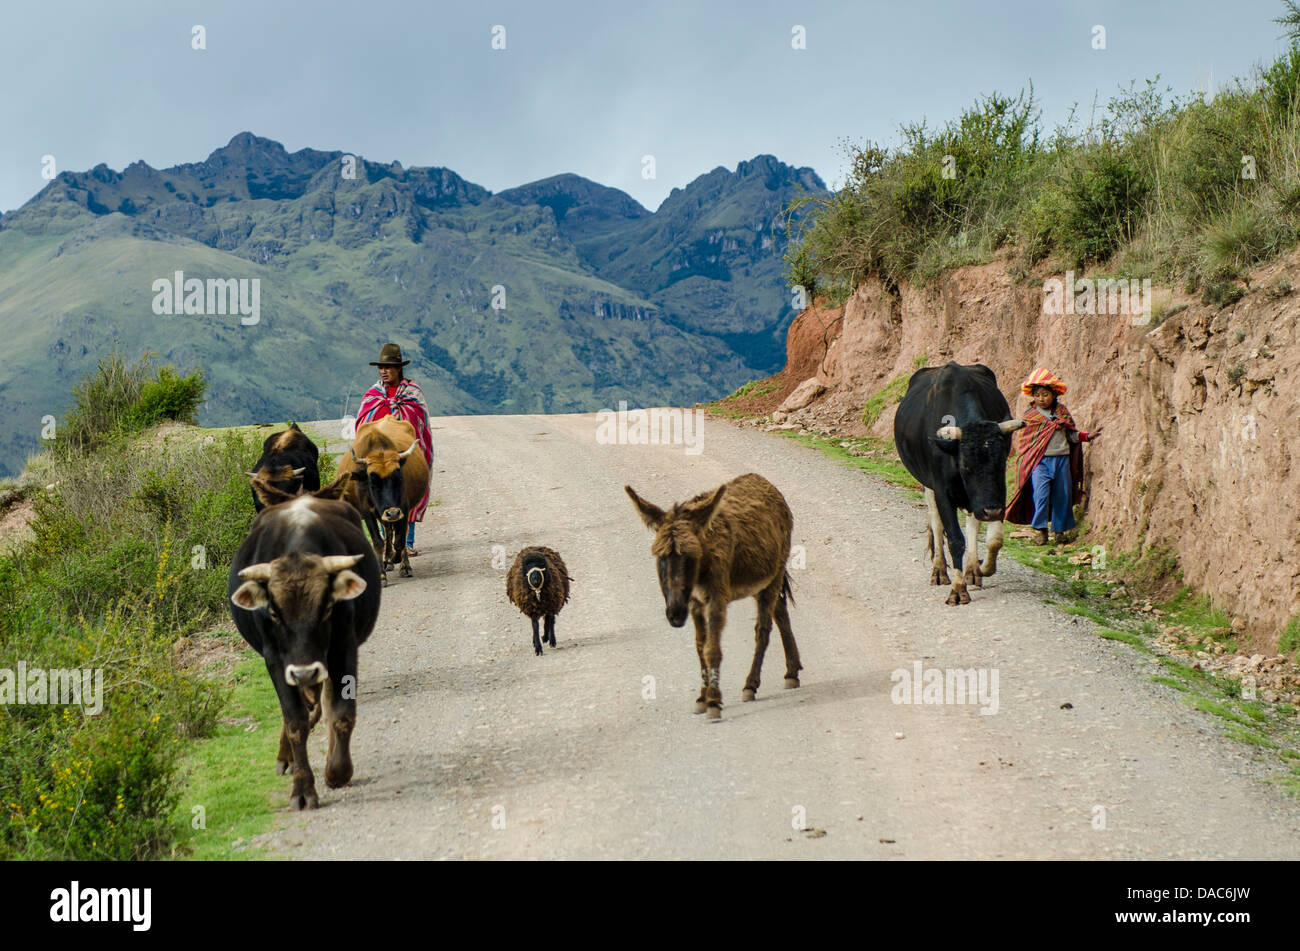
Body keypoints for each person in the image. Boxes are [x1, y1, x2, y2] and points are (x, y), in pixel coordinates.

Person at [1005, 367, 1103, 546]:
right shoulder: (1030, 416)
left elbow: (1072, 435)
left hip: (1062, 460)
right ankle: (1041, 530)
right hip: (1039, 462)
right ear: (1033, 396)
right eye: (1038, 395)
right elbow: (1026, 442)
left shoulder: (1062, 412)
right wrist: (1051, 426)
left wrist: (1088, 436)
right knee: (1040, 495)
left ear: (1054, 395)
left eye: (1045, 394)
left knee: (1062, 496)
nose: (1041, 399)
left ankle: (1059, 531)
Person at [355, 344, 434, 555]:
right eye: (381, 367)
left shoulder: (412, 393)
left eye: (388, 367)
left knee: (407, 491)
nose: (384, 371)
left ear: (399, 368)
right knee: (382, 493)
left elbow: (420, 423)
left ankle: (407, 541)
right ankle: (386, 541)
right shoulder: (373, 395)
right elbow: (363, 423)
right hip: (380, 456)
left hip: (403, 455)